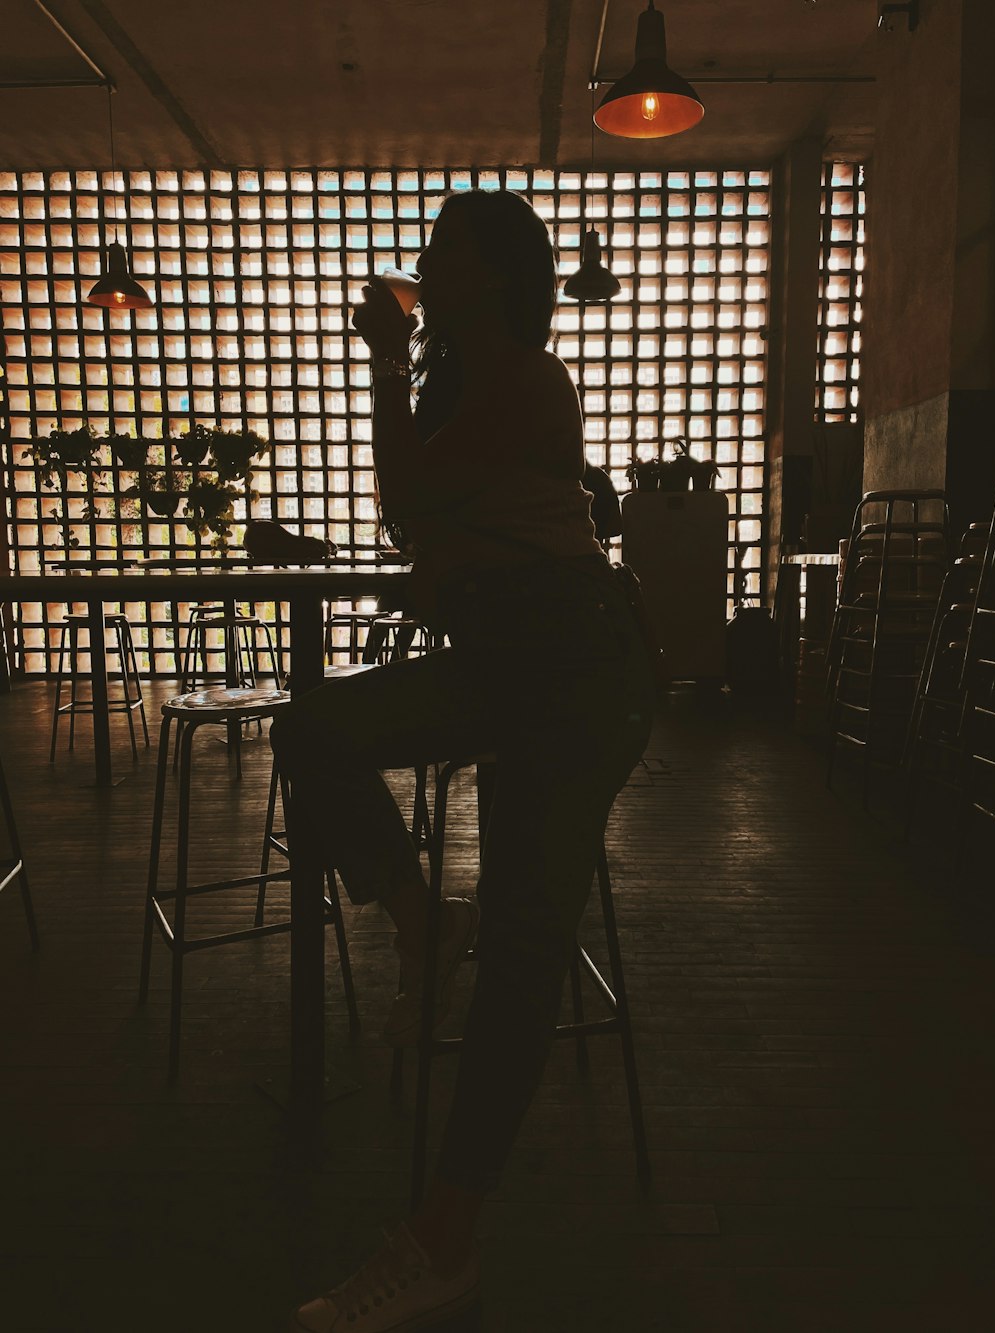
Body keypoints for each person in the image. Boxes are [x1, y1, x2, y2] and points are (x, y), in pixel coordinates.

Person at [270, 188, 656, 1332]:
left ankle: (443, 1238)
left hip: (576, 659)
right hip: (520, 654)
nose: (421, 267)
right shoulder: (476, 389)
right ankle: (418, 917)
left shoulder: (530, 377)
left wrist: (386, 364)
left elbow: (410, 494)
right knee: (313, 730)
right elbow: (425, 513)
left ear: (492, 274)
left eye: (441, 251)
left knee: (525, 940)